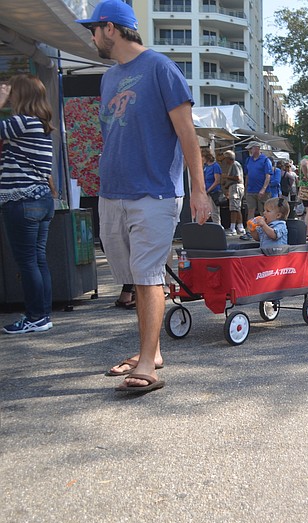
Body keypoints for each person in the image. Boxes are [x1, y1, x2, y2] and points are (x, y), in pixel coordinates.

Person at [77, 0, 211, 393]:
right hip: (112, 192)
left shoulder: (160, 68)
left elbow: (188, 133)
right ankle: (148, 353)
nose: (92, 37)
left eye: (94, 29)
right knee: (134, 278)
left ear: (111, 29)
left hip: (154, 191)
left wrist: (199, 192)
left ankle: (149, 362)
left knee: (149, 275)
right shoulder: (109, 76)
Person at [0, 74, 56, 334]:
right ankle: (41, 315)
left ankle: (36, 316)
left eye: (10, 92)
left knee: (28, 262)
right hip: (40, 199)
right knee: (38, 260)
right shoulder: (40, 124)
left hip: (21, 200)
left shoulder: (21, 123)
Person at [243, 141, 272, 233]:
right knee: (250, 210)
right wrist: (246, 187)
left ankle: (265, 230)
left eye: (251, 149)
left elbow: (268, 176)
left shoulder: (265, 160)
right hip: (251, 190)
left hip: (262, 190)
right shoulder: (248, 160)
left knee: (263, 211)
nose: (250, 151)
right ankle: (250, 230)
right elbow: (247, 175)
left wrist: (263, 189)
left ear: (256, 148)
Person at [220, 150, 245, 236]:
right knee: (236, 207)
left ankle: (233, 228)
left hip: (235, 188)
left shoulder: (234, 164)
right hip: (235, 187)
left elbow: (237, 177)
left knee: (234, 208)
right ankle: (240, 227)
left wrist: (226, 176)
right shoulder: (235, 165)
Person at [202, 148, 222, 225]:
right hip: (207, 192)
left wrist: (208, 190)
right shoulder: (206, 167)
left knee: (214, 212)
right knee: (207, 211)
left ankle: (218, 228)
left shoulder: (215, 166)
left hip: (213, 192)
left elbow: (217, 181)